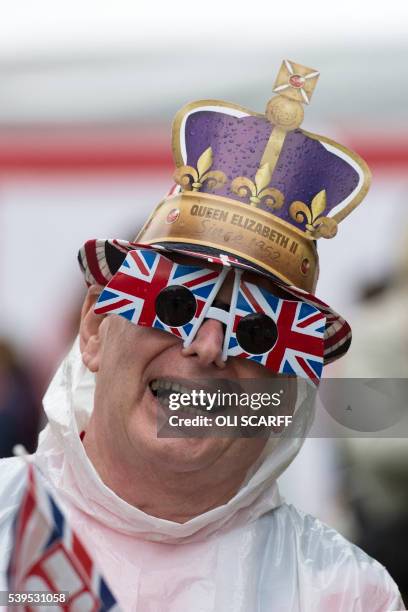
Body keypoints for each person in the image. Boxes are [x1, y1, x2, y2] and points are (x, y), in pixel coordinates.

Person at [0, 59, 405, 611]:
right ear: (94, 328)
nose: (208, 347)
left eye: (257, 331)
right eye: (174, 304)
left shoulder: (343, 594)